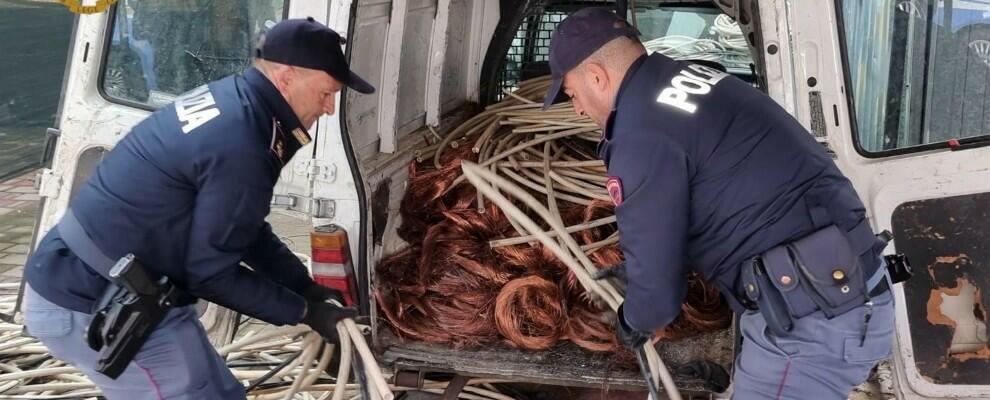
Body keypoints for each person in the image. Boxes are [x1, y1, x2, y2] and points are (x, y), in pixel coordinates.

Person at [545, 8, 895, 399]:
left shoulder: (641, 132)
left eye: (573, 93)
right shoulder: (694, 80)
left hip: (810, 330)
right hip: (848, 295)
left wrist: (636, 317)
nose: (576, 108)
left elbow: (658, 294)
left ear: (597, 75)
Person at [21, 17, 374, 399]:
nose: (328, 107)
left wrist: (306, 289)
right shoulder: (243, 140)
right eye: (326, 93)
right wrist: (306, 313)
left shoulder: (241, 106)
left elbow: (245, 228)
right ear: (287, 77)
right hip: (90, 301)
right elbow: (212, 274)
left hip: (137, 291)